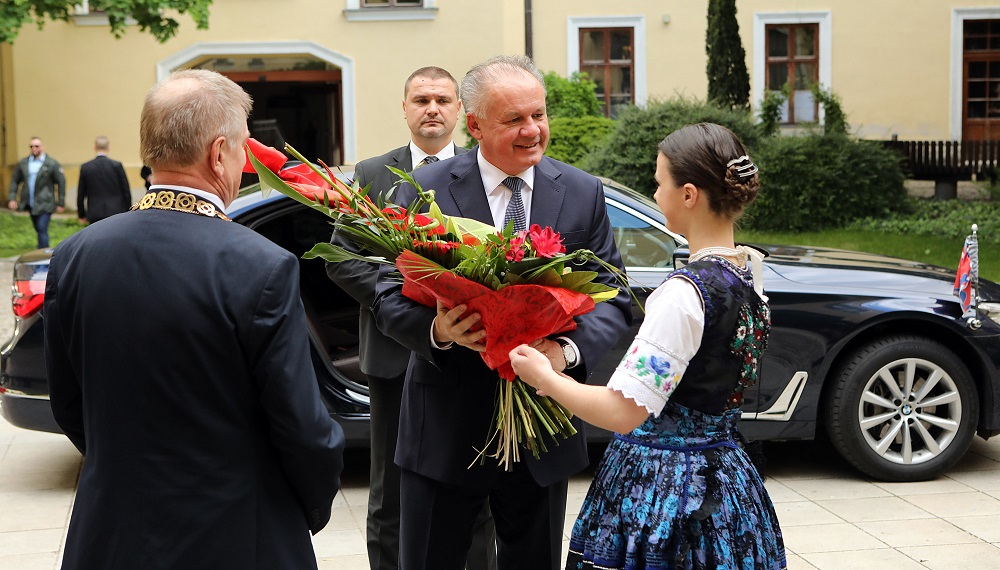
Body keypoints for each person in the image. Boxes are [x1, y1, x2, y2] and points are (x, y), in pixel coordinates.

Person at [43, 69, 346, 569]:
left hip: (111, 532)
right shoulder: (259, 265)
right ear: (218, 151)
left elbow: (69, 404)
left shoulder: (76, 254)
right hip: (234, 534)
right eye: (245, 148)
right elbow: (301, 427)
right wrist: (307, 503)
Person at [371, 55, 633, 570]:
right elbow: (386, 291)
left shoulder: (581, 192)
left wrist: (564, 352)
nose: (532, 130)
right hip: (444, 430)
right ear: (475, 125)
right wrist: (437, 330)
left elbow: (615, 295)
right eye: (514, 120)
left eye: (538, 114)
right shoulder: (424, 188)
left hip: (542, 429)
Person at [509, 123, 786, 570]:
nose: (656, 196)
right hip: (728, 478)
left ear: (690, 194)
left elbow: (623, 411)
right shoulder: (749, 276)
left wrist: (547, 378)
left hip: (667, 487)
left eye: (660, 184)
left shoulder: (684, 294)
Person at [326, 66, 497, 570]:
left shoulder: (482, 170)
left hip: (470, 354)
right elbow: (341, 256)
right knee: (391, 494)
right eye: (421, 100)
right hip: (394, 356)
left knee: (476, 486)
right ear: (404, 108)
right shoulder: (375, 173)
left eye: (443, 100)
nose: (432, 109)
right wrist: (399, 301)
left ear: (461, 113)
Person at [7, 136, 66, 248]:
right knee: (38, 229)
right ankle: (41, 255)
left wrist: (60, 202)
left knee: (41, 229)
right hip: (30, 203)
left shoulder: (51, 164)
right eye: (31, 146)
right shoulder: (24, 163)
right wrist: (12, 198)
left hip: (45, 203)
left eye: (36, 146)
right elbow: (15, 180)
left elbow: (61, 182)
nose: (34, 148)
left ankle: (43, 260)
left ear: (42, 147)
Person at [76, 135, 133, 224]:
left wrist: (81, 214)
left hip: (95, 212)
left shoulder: (86, 167)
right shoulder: (117, 166)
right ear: (108, 148)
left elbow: (81, 194)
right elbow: (126, 190)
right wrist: (128, 210)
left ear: (94, 148)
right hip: (116, 211)